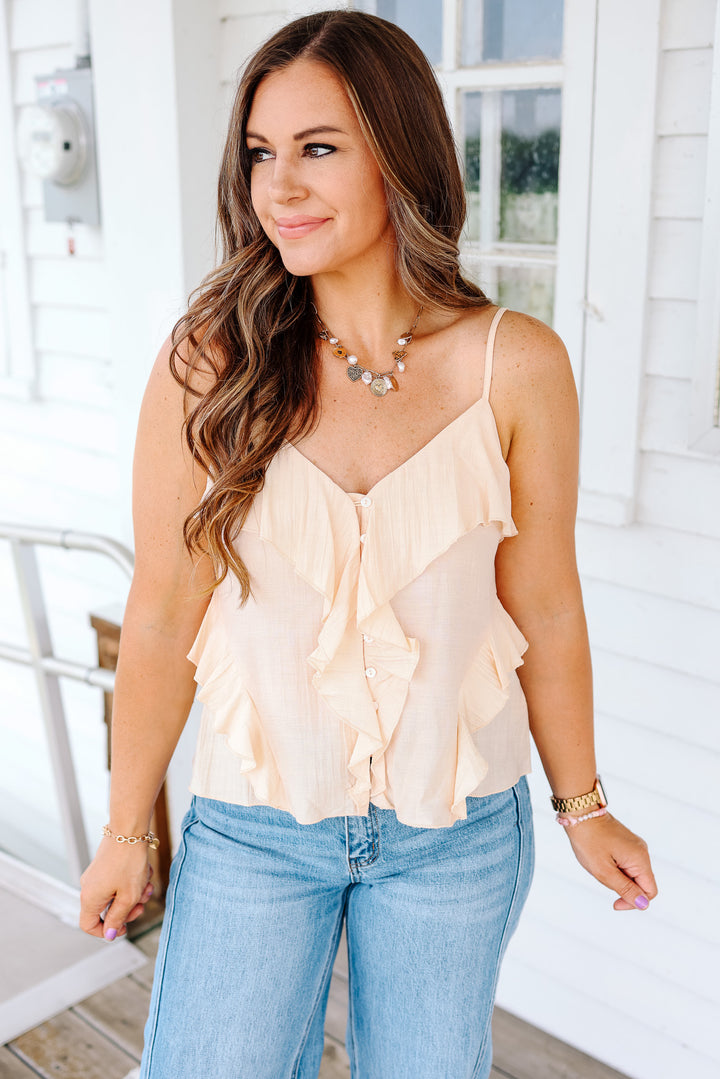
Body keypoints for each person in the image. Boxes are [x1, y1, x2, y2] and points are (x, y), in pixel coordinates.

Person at [79, 10, 657, 1079]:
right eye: (261, 153)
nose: (279, 187)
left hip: (457, 836)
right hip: (254, 831)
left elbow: (546, 604)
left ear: (399, 153)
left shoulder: (516, 366)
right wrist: (127, 829)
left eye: (318, 148)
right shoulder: (210, 365)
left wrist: (586, 806)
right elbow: (160, 611)